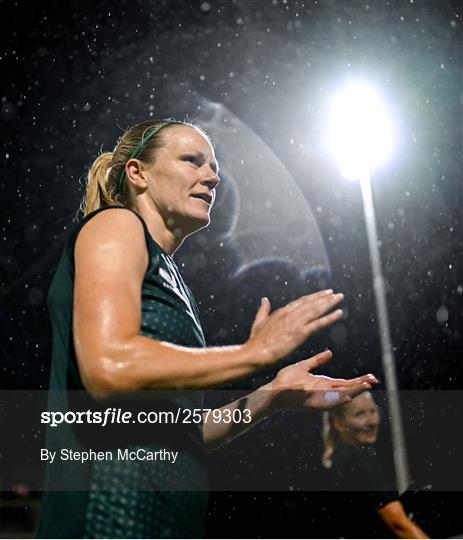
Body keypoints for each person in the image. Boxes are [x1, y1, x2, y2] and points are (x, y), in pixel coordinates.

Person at [37, 119, 378, 538]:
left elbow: (186, 433)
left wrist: (271, 395)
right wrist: (252, 353)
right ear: (137, 173)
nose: (213, 176)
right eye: (191, 160)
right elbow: (108, 366)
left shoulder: (173, 280)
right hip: (108, 516)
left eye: (214, 166)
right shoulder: (115, 225)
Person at [321, 391, 429, 538]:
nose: (371, 421)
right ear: (338, 423)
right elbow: (398, 524)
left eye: (373, 411)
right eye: (360, 414)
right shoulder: (357, 459)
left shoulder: (338, 460)